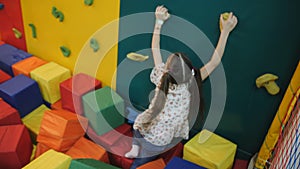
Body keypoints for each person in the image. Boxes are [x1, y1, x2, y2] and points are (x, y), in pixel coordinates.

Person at [125, 5, 238, 169]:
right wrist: (225, 31)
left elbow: (154, 48)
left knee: (138, 126)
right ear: (189, 70)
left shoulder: (161, 76)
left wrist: (158, 21)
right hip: (162, 140)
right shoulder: (192, 81)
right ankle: (138, 154)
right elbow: (214, 62)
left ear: (168, 69)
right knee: (143, 138)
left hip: (152, 131)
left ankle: (136, 156)